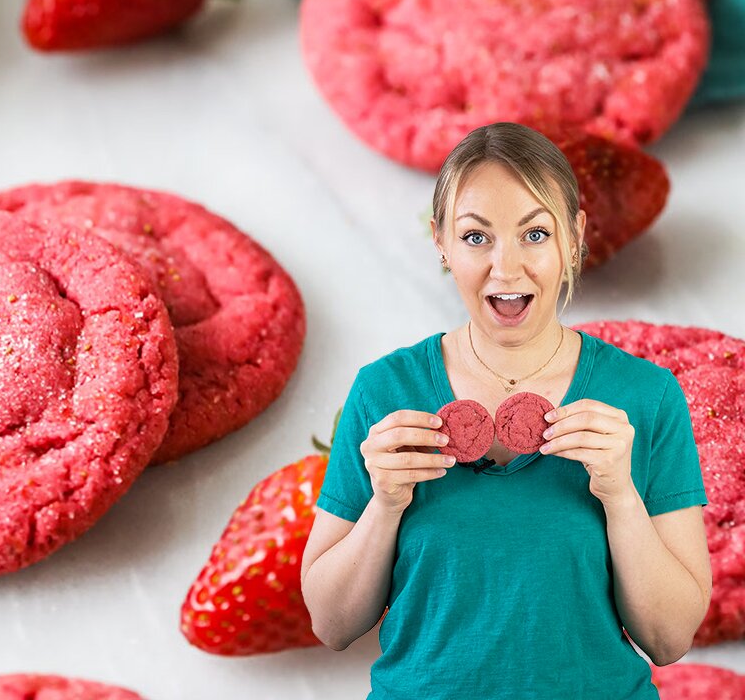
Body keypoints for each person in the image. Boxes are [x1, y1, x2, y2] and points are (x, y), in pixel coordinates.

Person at [300, 122, 711, 698]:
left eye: (535, 234)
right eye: (476, 237)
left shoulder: (645, 395)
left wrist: (620, 494)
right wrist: (385, 506)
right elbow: (332, 625)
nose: (507, 266)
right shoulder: (385, 391)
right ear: (441, 243)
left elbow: (670, 639)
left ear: (574, 238)